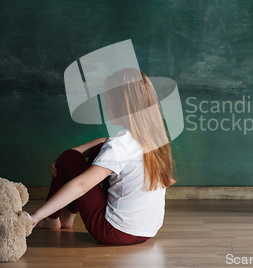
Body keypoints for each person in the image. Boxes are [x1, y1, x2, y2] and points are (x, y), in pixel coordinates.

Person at [29, 68, 176, 246]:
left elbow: (81, 186)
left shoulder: (120, 145)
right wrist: (77, 150)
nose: (106, 107)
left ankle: (51, 219)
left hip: (113, 232)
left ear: (123, 105)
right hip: (147, 231)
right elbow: (107, 143)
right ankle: (66, 218)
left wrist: (35, 216)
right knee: (97, 149)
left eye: (108, 101)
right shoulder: (153, 138)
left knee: (69, 157)